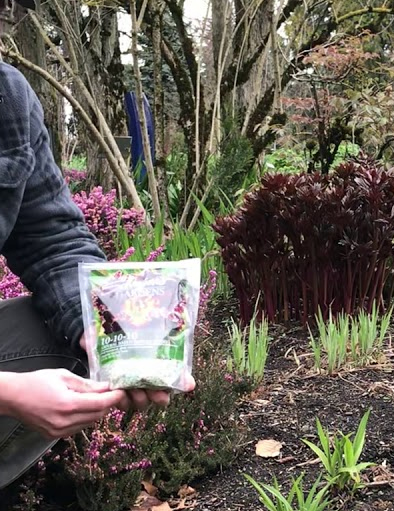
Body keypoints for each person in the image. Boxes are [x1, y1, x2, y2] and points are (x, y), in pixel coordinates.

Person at [0, 18, 181, 488]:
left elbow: (51, 237)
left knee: (72, 342)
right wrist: (7, 393)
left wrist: (108, 327)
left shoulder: (7, 98)